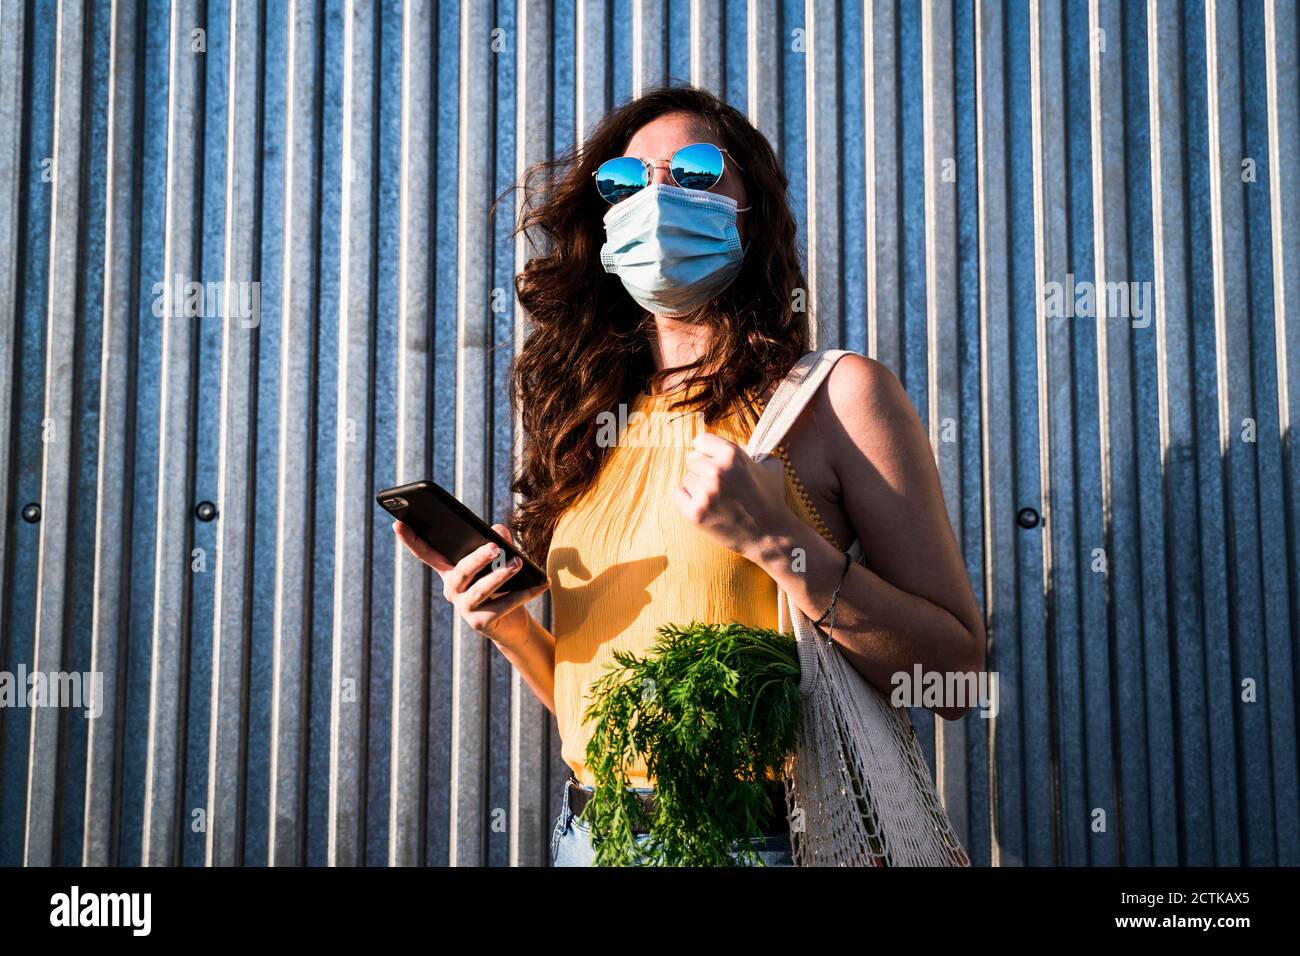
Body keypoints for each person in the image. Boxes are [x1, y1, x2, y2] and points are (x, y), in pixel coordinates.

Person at [394, 85, 986, 867]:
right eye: (627, 182)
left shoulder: (837, 397)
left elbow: (952, 679)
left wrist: (780, 541)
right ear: (605, 226)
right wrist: (508, 628)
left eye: (697, 173)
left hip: (769, 843)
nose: (658, 198)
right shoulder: (591, 426)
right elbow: (607, 724)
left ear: (753, 210)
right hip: (591, 836)